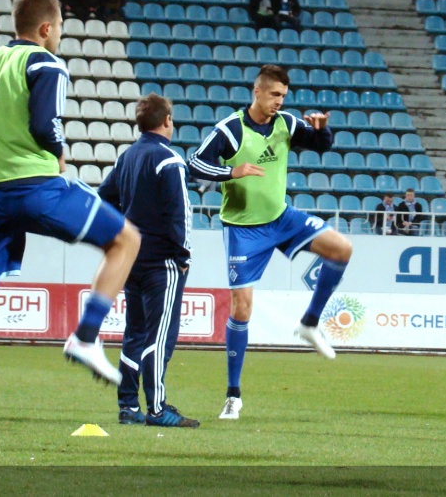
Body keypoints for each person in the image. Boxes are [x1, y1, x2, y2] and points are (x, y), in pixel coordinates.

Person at [0, 0, 141, 465]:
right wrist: (58, 153)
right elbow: (46, 124)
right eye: (61, 27)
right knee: (126, 239)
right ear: (47, 28)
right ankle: (86, 336)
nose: (60, 35)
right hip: (35, 186)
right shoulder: (46, 63)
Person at [188, 65, 353, 420]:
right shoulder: (231, 129)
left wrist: (323, 130)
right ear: (257, 92)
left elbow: (321, 145)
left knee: (342, 248)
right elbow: (195, 165)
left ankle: (309, 323)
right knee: (241, 309)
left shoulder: (286, 123)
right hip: (243, 230)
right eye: (274, 94)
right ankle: (233, 395)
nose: (279, 101)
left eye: (283, 96)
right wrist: (232, 171)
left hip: (281, 218)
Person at [98, 93, 200, 429]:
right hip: (162, 261)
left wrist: (123, 232)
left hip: (132, 261)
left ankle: (128, 406)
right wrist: (182, 256)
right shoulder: (170, 160)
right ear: (167, 120)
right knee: (159, 336)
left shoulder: (127, 158)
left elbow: (104, 197)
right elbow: (179, 214)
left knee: (135, 333)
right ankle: (157, 409)